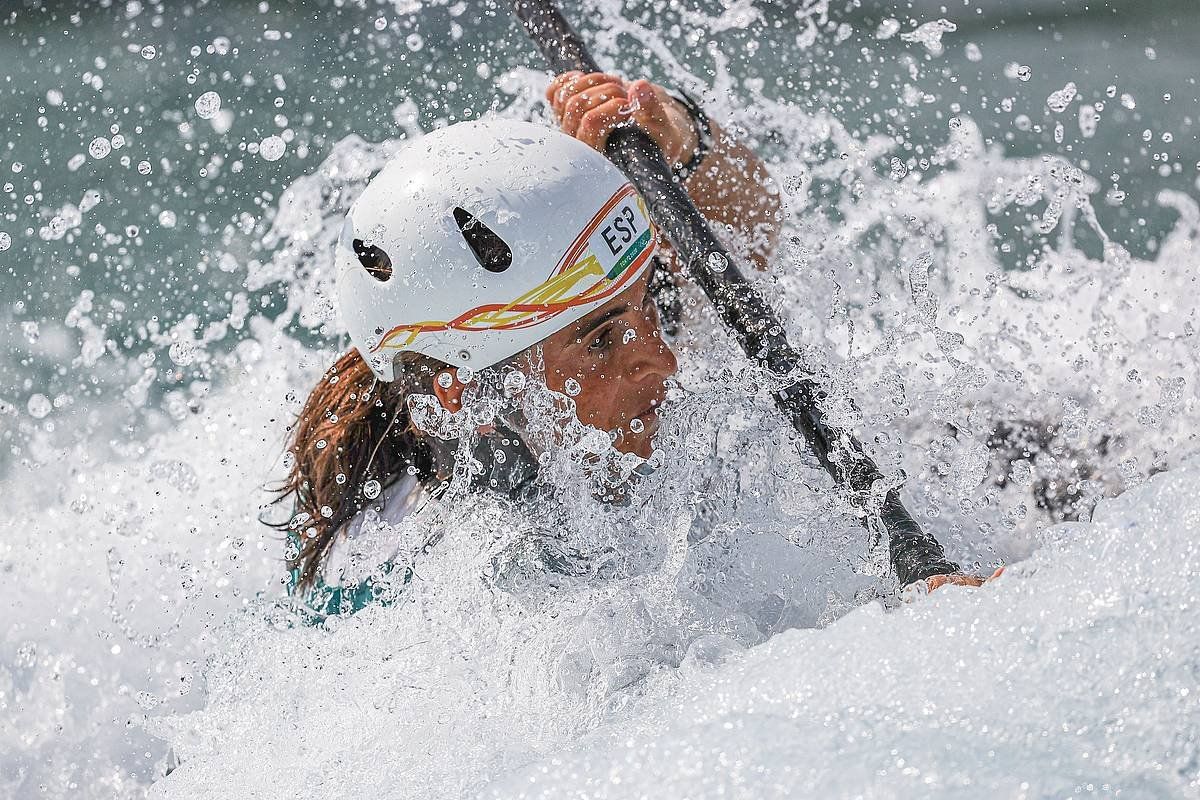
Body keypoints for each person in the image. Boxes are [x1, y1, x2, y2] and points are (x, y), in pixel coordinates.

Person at [272, 72, 992, 617]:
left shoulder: (578, 355)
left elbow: (754, 234)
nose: (663, 356)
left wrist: (683, 142)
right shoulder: (411, 584)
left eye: (649, 307)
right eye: (603, 339)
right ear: (464, 394)